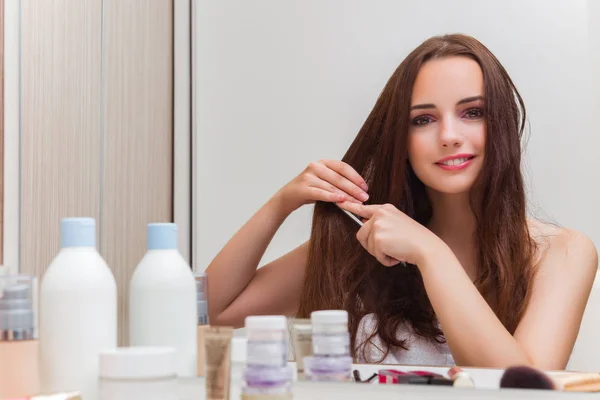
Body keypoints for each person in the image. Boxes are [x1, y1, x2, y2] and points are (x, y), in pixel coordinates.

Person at [205, 34, 598, 369]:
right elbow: (214, 313)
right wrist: (281, 203)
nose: (449, 135)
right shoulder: (365, 242)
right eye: (423, 119)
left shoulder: (560, 253)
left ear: (503, 125)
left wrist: (432, 253)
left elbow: (523, 389)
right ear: (401, 140)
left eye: (473, 113)